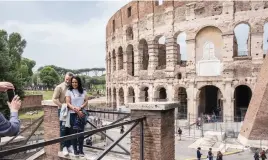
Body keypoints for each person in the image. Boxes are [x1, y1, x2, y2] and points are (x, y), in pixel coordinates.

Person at [66, 76, 88, 157]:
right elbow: (68, 103)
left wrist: (81, 107)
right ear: (71, 83)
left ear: (78, 82)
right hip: (73, 113)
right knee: (74, 133)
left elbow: (86, 101)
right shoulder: (69, 91)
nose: (74, 84)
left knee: (81, 133)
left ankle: (81, 150)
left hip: (81, 113)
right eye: (73, 82)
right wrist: (76, 109)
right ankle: (75, 150)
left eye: (76, 82)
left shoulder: (83, 91)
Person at [52, 72, 73, 155]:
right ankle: (63, 147)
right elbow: (54, 99)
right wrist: (62, 106)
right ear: (65, 78)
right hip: (63, 111)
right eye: (66, 79)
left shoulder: (72, 87)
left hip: (71, 110)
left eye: (69, 80)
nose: (67, 81)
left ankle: (69, 145)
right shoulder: (59, 87)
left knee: (70, 128)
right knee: (63, 128)